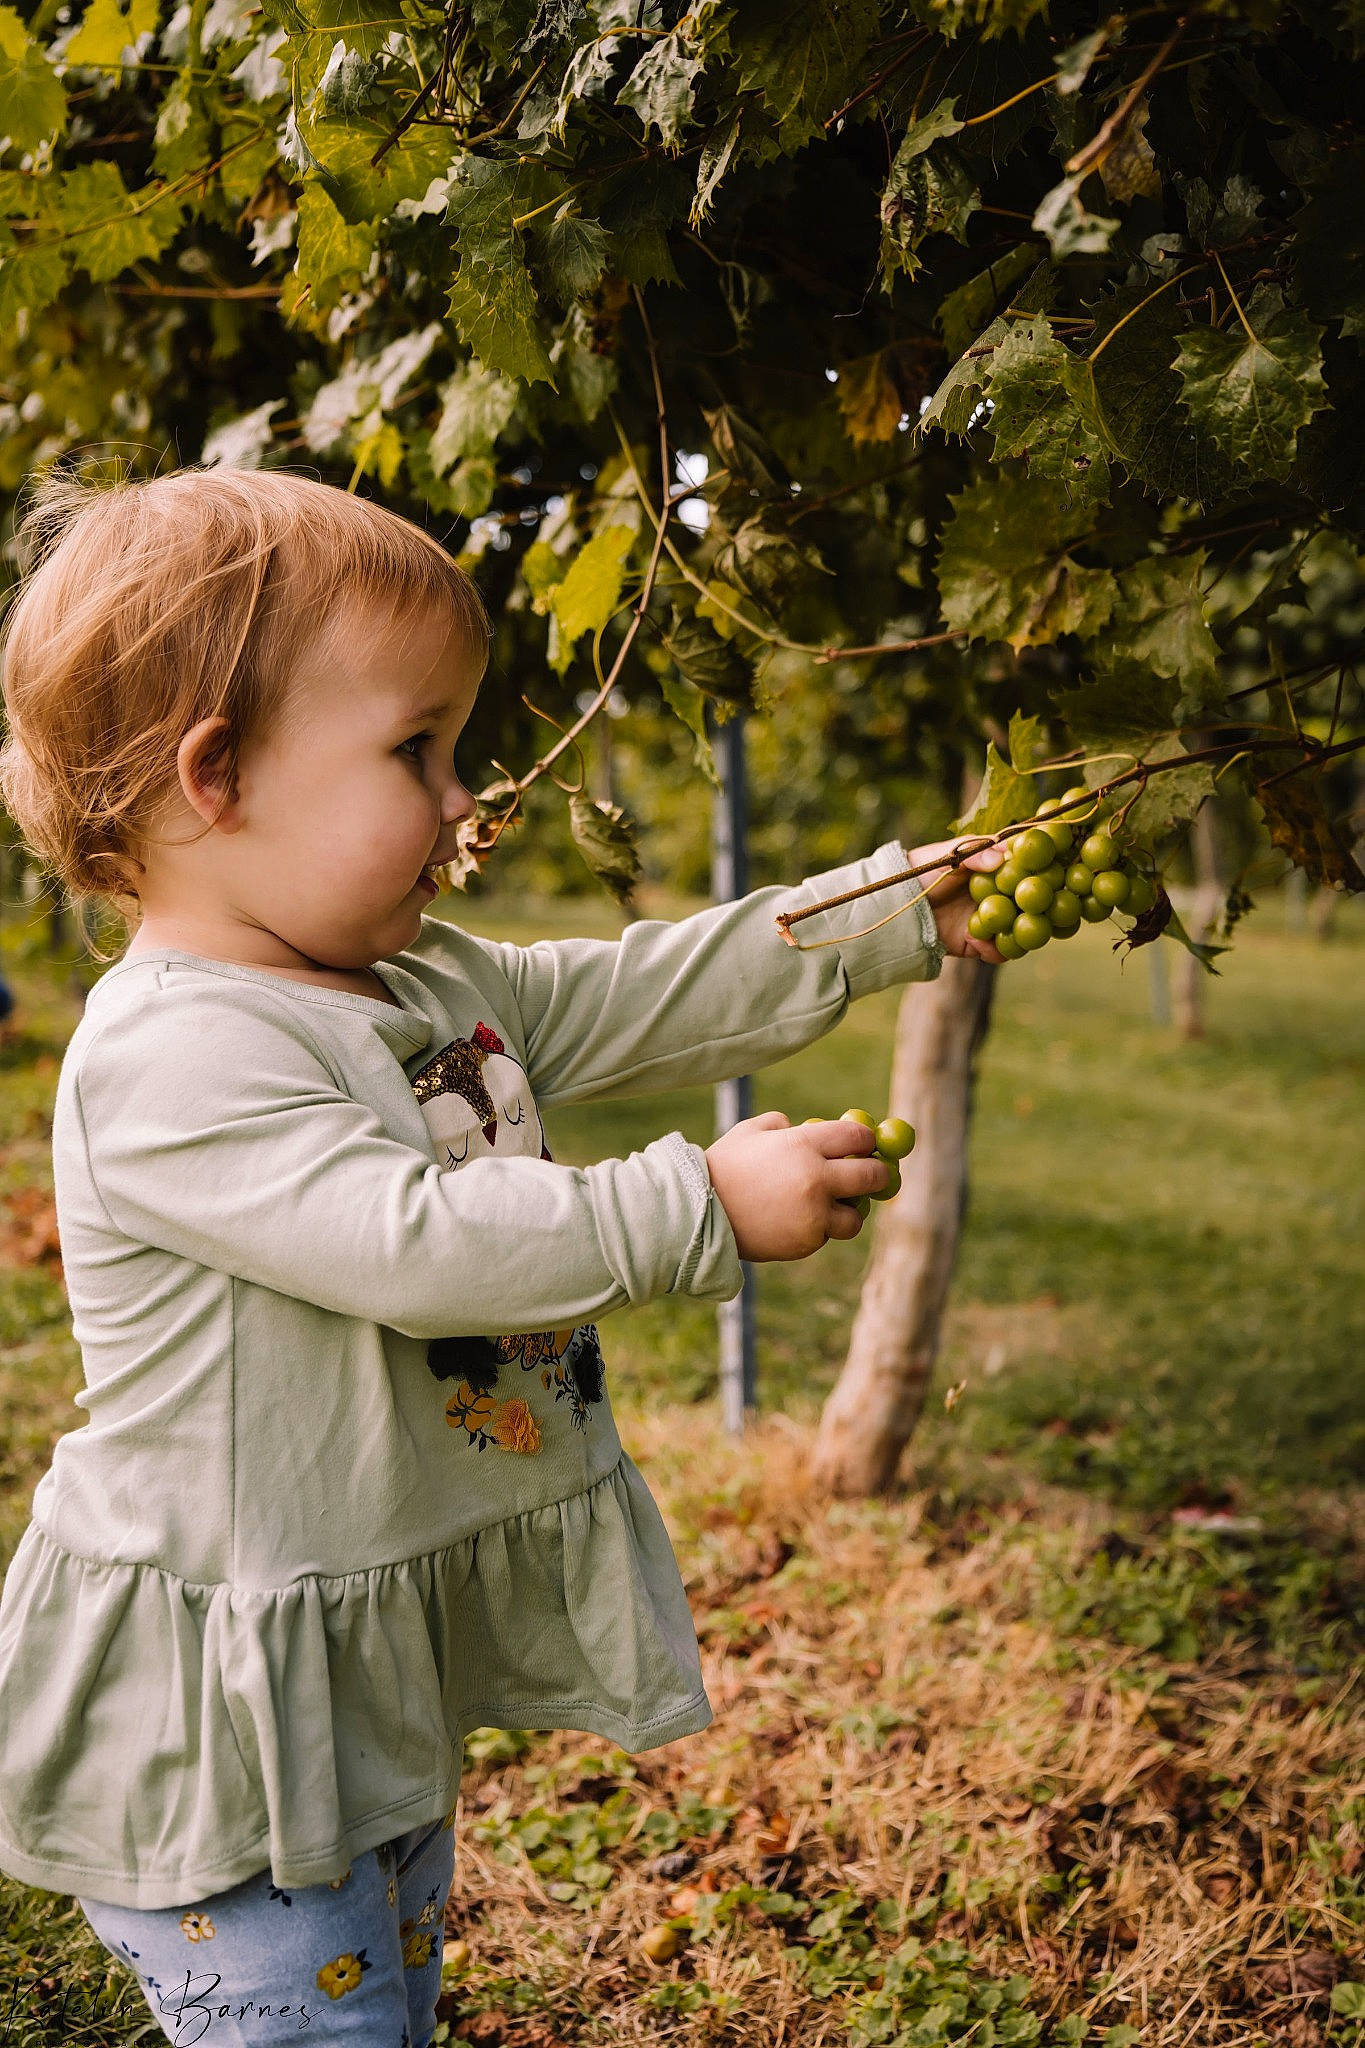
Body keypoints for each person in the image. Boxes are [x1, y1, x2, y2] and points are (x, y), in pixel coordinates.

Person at [0, 465, 1004, 2046]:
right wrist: (695, 1205)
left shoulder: (410, 983)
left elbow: (636, 994)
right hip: (226, 1727)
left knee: (382, 2000)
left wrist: (884, 912)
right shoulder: (170, 1057)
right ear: (217, 774)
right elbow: (412, 1242)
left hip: (346, 1674)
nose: (466, 796)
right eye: (417, 749)